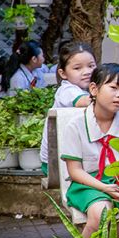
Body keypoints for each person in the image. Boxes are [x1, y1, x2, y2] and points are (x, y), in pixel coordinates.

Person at [59, 63, 119, 238]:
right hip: (89, 184)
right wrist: (105, 188)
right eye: (113, 88)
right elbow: (75, 171)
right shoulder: (76, 126)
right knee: (100, 213)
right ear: (94, 89)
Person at [39, 42, 97, 175]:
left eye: (91, 66)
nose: (87, 72)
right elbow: (84, 101)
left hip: (74, 155)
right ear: (63, 73)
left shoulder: (88, 88)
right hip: (55, 162)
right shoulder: (67, 90)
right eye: (77, 68)